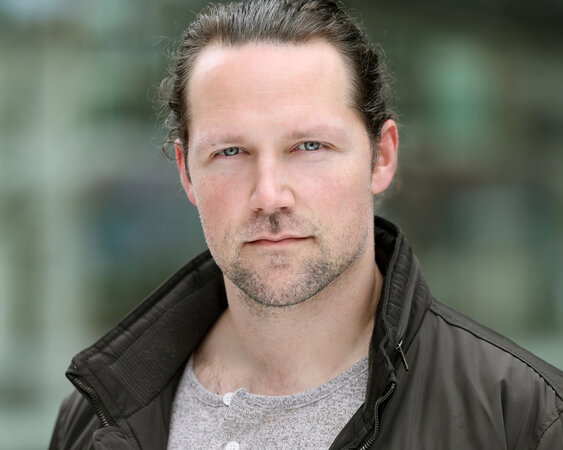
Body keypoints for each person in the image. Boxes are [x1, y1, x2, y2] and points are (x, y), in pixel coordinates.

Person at [49, 0, 563, 448]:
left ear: (382, 157)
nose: (269, 195)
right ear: (186, 173)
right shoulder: (94, 420)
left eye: (309, 146)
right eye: (231, 152)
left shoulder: (523, 421)